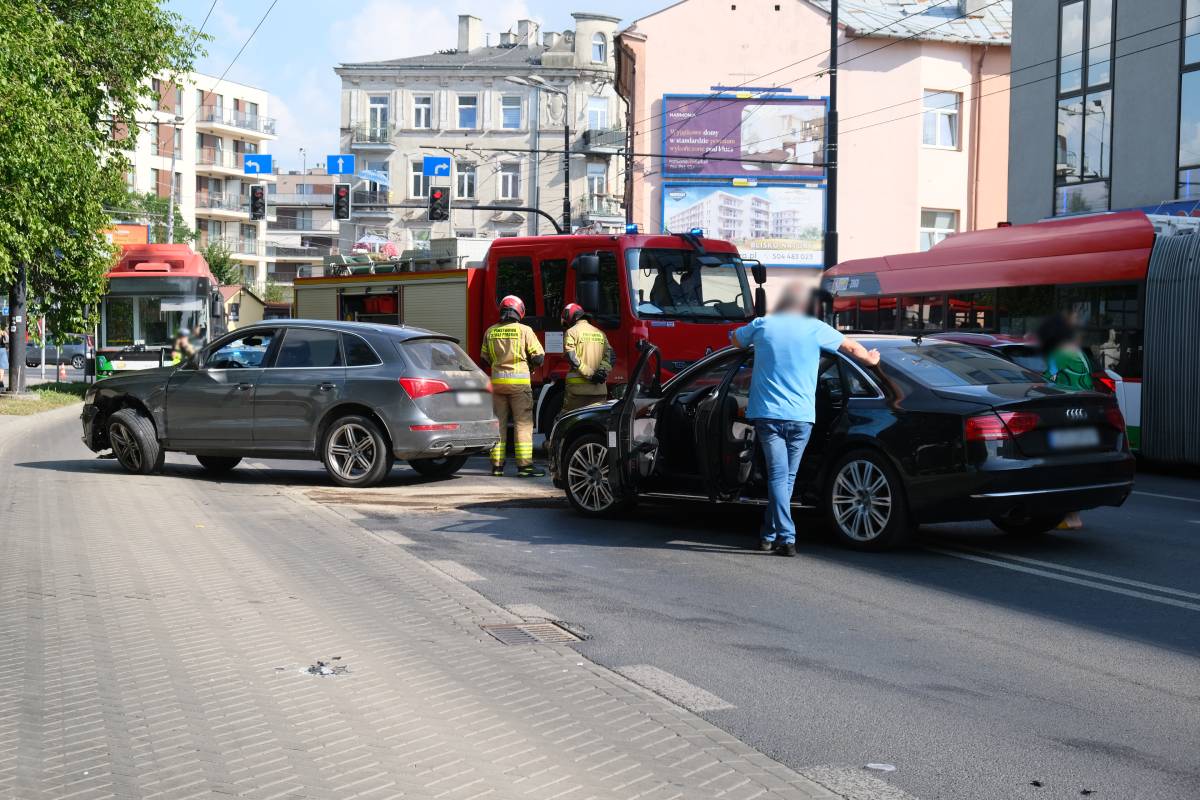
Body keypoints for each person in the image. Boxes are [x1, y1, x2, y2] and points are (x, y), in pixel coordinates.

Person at [731, 282, 881, 557]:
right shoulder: (816, 329)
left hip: (769, 414)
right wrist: (870, 360)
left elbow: (735, 340)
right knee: (786, 477)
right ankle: (769, 534)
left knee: (778, 476)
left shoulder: (763, 324)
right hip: (802, 417)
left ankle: (786, 537)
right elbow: (850, 347)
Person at [481, 295, 546, 478]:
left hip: (497, 386)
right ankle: (525, 467)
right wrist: (531, 365)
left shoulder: (490, 331)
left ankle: (496, 467)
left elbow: (484, 358)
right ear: (519, 310)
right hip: (519, 386)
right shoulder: (525, 330)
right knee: (522, 425)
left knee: (498, 425)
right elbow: (539, 357)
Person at [560, 303, 614, 415]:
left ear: (570, 317)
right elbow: (611, 356)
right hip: (599, 391)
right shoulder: (600, 333)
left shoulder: (571, 332)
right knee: (597, 422)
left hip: (577, 391)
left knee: (570, 422)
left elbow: (571, 356)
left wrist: (590, 373)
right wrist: (602, 372)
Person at [1037, 312, 1094, 391]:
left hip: (1070, 396)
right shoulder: (1078, 351)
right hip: (1087, 393)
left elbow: (1047, 376)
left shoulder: (1059, 354)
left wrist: (1034, 384)